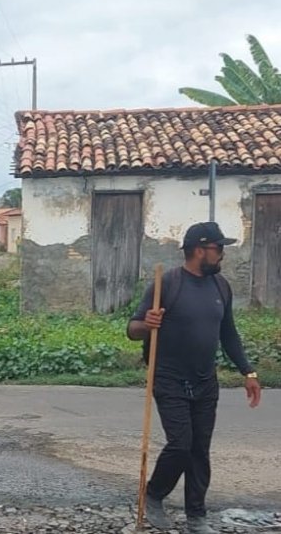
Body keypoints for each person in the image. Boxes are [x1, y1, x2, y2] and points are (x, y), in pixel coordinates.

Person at [127, 222, 262, 534]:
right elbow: (132, 330)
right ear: (200, 250)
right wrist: (147, 324)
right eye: (219, 249)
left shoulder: (221, 287)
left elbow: (229, 334)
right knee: (181, 444)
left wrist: (249, 372)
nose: (223, 256)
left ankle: (196, 516)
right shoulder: (168, 284)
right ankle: (155, 494)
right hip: (168, 378)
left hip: (205, 382)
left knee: (200, 448)